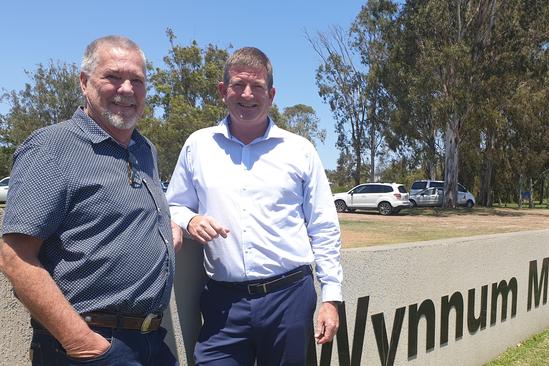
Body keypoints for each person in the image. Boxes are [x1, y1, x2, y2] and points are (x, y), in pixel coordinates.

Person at [0, 35, 182, 365]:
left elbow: (115, 215)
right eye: (113, 76)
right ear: (84, 82)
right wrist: (82, 343)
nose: (127, 89)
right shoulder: (52, 148)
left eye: (137, 80)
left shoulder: (145, 151)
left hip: (152, 341)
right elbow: (14, 257)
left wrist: (164, 229)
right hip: (89, 346)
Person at [166, 47, 343, 365]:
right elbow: (173, 205)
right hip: (222, 303)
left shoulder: (299, 150)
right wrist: (190, 221)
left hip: (289, 298)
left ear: (271, 94)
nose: (247, 94)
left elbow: (323, 225)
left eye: (257, 87)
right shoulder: (198, 146)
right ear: (223, 91)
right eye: (238, 85)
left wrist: (331, 296)